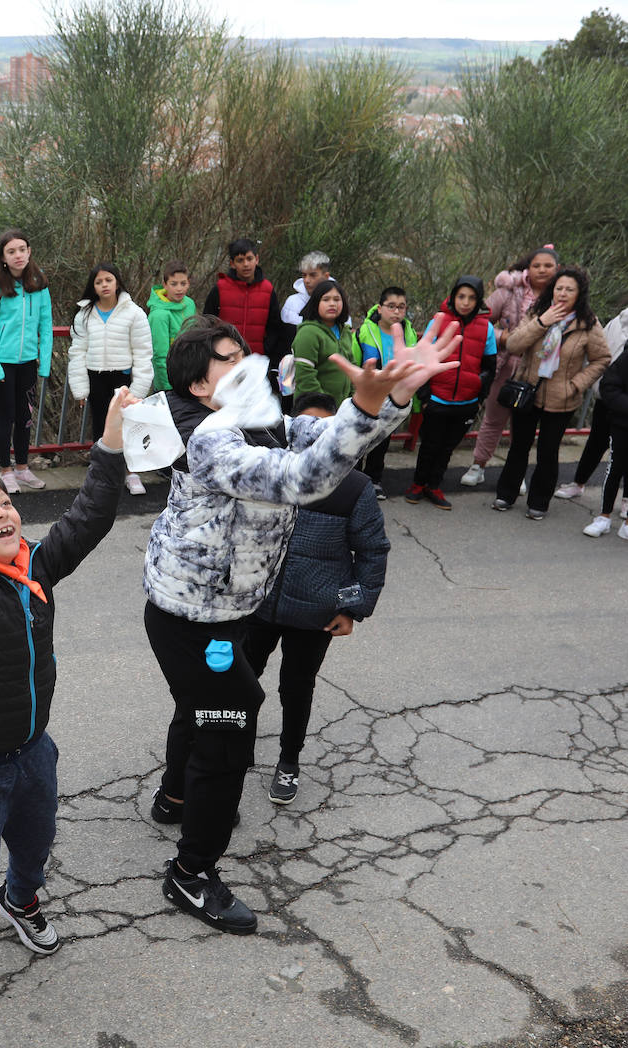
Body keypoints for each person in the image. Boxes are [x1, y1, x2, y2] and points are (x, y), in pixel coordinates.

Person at [143, 315, 459, 935]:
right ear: (201, 389)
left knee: (207, 710)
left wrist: (391, 397)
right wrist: (368, 404)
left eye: (246, 355)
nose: (248, 367)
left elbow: (328, 436)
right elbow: (302, 479)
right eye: (228, 363)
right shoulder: (212, 441)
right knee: (228, 732)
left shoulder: (270, 422)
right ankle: (190, 873)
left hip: (229, 609)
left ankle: (175, 799)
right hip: (191, 618)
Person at [0, 389, 134, 1025]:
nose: (2, 513)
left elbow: (89, 519)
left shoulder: (36, 566)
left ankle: (20, 899)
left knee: (37, 843)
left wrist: (111, 446)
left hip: (33, 748)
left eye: (6, 503)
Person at [244, 392, 389, 807]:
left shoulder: (354, 488)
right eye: (305, 428)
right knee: (241, 682)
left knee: (296, 687)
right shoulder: (271, 474)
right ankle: (235, 751)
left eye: (325, 430)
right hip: (257, 605)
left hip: (315, 616)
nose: (314, 438)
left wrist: (349, 607)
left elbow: (373, 552)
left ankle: (289, 761)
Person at [493, 266, 611, 519]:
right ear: (552, 290)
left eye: (570, 289)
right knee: (518, 447)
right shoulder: (537, 312)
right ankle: (506, 493)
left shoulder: (587, 322)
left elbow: (602, 359)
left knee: (548, 451)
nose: (563, 293)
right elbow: (513, 345)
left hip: (562, 398)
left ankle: (539, 501)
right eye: (559, 288)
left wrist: (576, 384)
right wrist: (541, 322)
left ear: (579, 294)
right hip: (527, 391)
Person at [461, 246, 560, 487]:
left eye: (548, 266)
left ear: (557, 269)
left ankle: (515, 472)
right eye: (537, 265)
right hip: (505, 365)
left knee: (523, 425)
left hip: (538, 371)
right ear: (528, 267)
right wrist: (501, 338)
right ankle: (479, 464)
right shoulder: (509, 291)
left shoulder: (561, 295)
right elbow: (478, 320)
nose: (542, 270)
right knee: (494, 418)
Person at [404, 276, 497, 510]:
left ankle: (434, 486)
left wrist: (478, 397)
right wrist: (424, 397)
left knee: (447, 448)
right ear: (453, 296)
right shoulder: (439, 320)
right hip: (437, 397)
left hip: (467, 401)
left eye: (472, 297)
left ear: (478, 300)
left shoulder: (486, 327)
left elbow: (490, 367)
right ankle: (417, 484)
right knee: (429, 445)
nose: (465, 302)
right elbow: (421, 359)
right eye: (461, 296)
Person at [67, 261, 153, 494]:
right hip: (95, 378)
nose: (104, 285)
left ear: (117, 282)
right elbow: (77, 352)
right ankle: (103, 474)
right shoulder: (84, 314)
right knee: (101, 427)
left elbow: (143, 352)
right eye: (98, 281)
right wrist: (80, 390)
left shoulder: (133, 313)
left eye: (108, 280)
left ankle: (131, 473)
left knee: (127, 425)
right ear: (92, 286)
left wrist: (138, 389)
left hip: (122, 379)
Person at [0, 229, 53, 495]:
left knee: (25, 417)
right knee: (6, 417)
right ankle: (6, 470)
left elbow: (45, 326)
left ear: (29, 251)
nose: (18, 255)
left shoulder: (40, 283)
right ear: (3, 257)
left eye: (22, 249)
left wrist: (43, 364)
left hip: (27, 364)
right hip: (2, 364)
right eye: (11, 251)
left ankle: (22, 467)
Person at [555, 301, 628, 508]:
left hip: (611, 394)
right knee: (597, 442)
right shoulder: (617, 322)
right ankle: (579, 482)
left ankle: (625, 499)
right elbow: (601, 353)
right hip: (609, 396)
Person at [355, 286, 418, 498]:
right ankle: (353, 479)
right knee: (358, 438)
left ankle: (374, 479)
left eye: (401, 307)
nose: (396, 312)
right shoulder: (366, 330)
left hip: (393, 395)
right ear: (380, 308)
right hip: (369, 392)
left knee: (382, 440)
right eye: (391, 306)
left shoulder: (407, 332)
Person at [201, 237, 288, 366]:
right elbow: (207, 321)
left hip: (256, 360)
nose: (246, 264)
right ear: (232, 263)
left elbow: (274, 326)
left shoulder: (267, 289)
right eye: (240, 260)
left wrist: (266, 350)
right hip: (225, 359)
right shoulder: (220, 288)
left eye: (249, 259)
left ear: (257, 259)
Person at [582, 346, 628, 539]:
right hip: (623, 424)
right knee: (614, 469)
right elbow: (608, 385)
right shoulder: (626, 358)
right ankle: (603, 517)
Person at [289, 279, 359, 404]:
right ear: (316, 303)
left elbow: (352, 368)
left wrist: (353, 401)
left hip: (342, 410)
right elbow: (305, 376)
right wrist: (325, 407)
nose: (332, 304)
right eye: (326, 299)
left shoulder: (346, 332)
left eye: (337, 299)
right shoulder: (308, 332)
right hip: (313, 408)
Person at [146, 260, 196, 392]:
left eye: (183, 283)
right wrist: (168, 387)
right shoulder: (159, 315)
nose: (179, 288)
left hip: (191, 377)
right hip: (170, 384)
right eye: (174, 284)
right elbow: (160, 356)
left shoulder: (189, 303)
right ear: (165, 285)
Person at [279, 250, 331, 329]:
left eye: (313, 275)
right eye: (304, 275)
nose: (307, 280)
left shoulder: (337, 301)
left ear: (326, 276)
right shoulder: (293, 303)